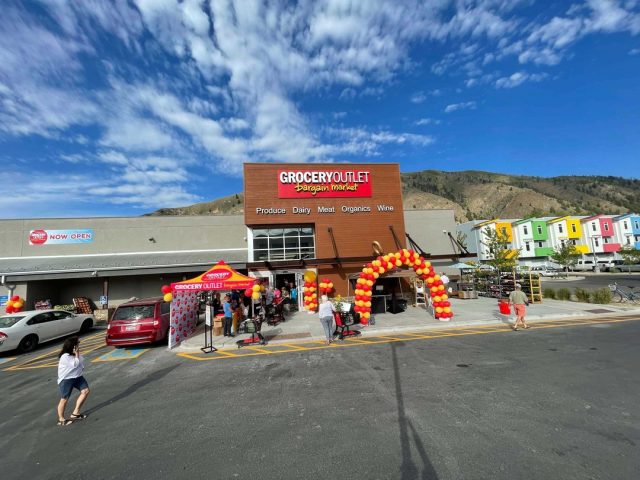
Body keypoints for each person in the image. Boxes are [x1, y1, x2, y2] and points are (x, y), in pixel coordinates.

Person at [56, 336, 90, 426]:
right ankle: (61, 419)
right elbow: (75, 364)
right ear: (73, 346)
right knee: (64, 399)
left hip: (77, 377)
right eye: (78, 344)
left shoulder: (74, 354)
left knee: (85, 391)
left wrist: (77, 355)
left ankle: (75, 413)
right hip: (67, 379)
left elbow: (81, 362)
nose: (79, 345)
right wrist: (77, 353)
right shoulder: (65, 356)